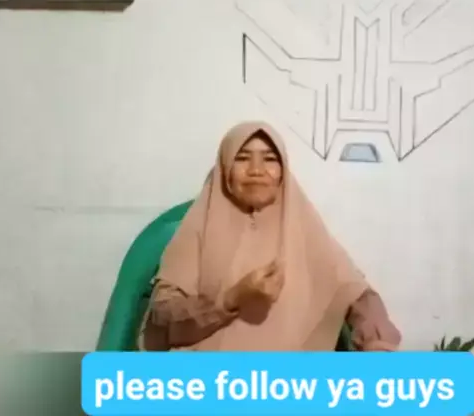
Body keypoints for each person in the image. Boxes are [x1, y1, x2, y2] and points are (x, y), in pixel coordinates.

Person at [138, 121, 401, 351]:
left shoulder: (305, 229)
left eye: (269, 159)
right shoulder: (198, 228)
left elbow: (358, 295)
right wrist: (230, 299)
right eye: (242, 158)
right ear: (225, 167)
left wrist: (377, 343)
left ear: (283, 170)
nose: (256, 170)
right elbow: (164, 314)